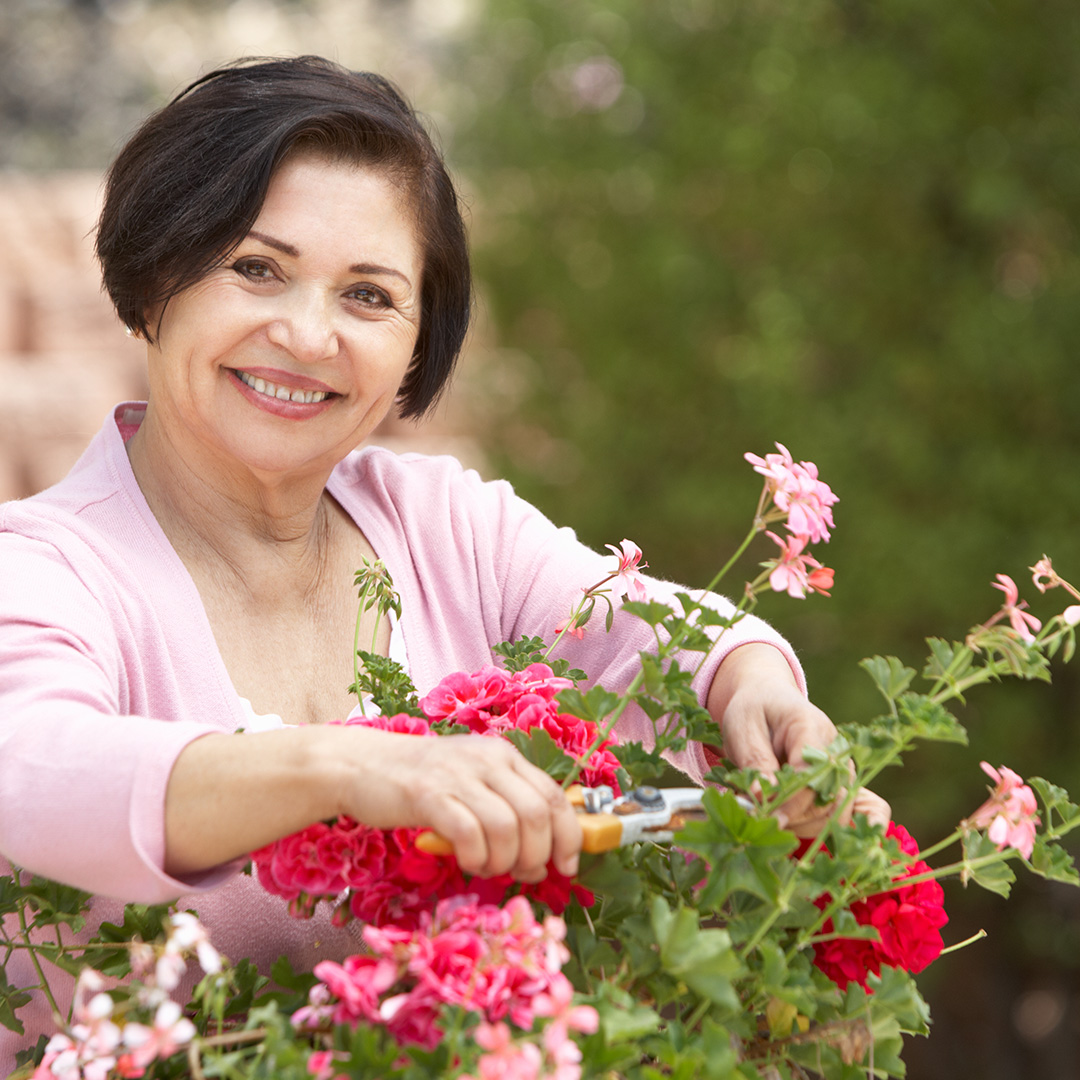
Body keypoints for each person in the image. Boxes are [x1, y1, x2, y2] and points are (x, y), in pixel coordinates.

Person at [0, 56, 885, 1065]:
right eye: (256, 268)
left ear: (419, 340)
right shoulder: (38, 570)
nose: (306, 333)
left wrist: (760, 692)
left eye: (369, 295)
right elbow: (29, 775)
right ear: (155, 276)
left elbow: (665, 628)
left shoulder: (443, 522)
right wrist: (356, 765)